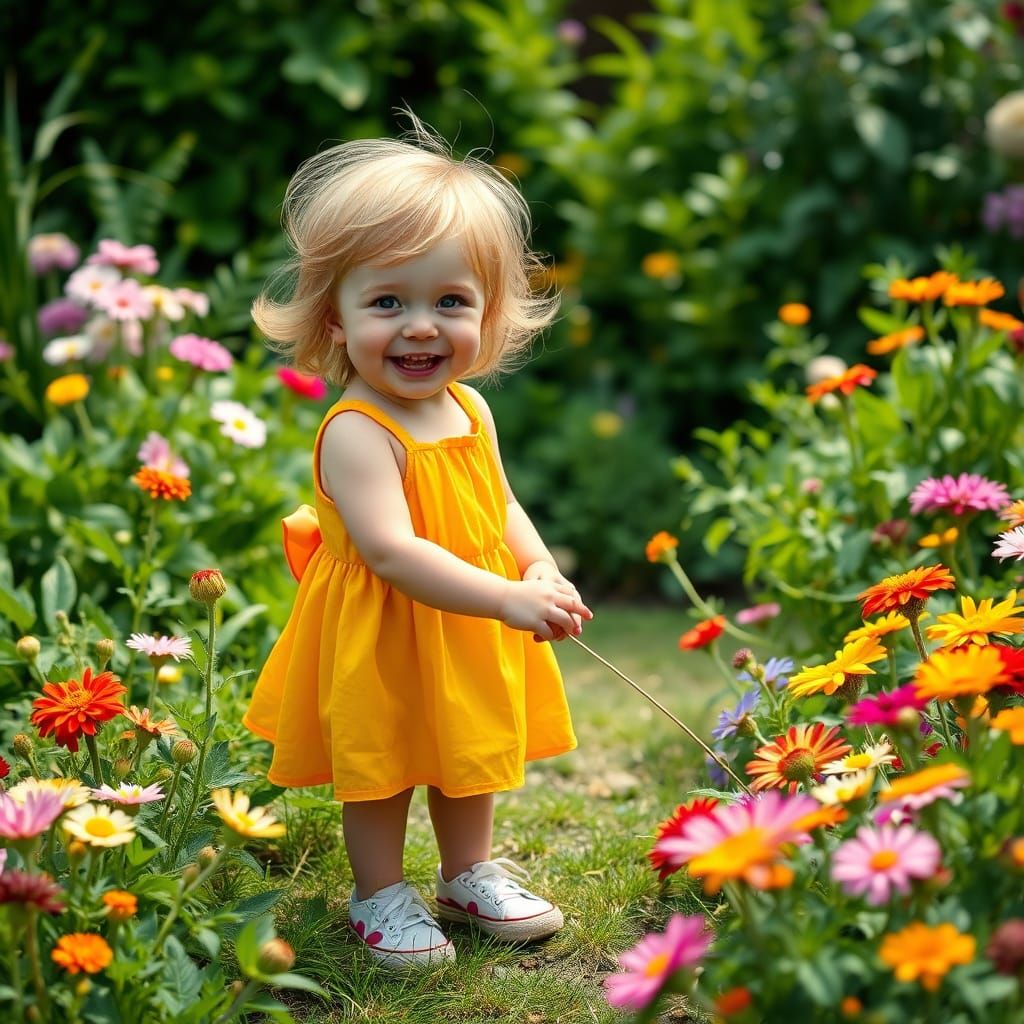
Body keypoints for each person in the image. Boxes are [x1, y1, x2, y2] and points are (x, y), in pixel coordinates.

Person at [242, 114, 593, 971]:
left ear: (490, 313)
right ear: (333, 317)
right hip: (386, 627)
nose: (422, 327)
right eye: (388, 301)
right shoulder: (358, 430)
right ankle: (379, 893)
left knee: (468, 748)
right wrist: (506, 598)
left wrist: (535, 564)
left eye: (450, 302)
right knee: (387, 757)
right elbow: (393, 552)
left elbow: (498, 503)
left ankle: (467, 871)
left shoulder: (471, 409)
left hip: (466, 614)